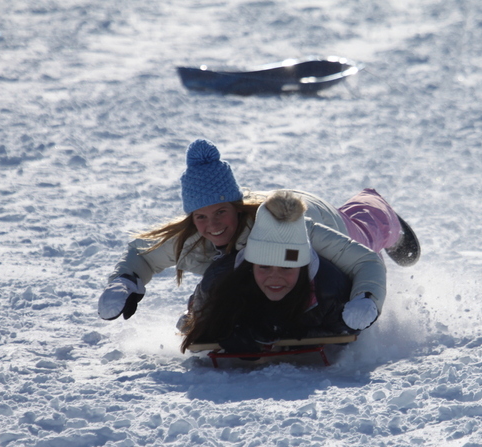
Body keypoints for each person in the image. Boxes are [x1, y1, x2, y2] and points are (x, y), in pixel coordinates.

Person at [97, 138, 420, 325]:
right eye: (202, 217)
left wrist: (366, 298)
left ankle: (376, 208)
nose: (213, 226)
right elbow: (144, 253)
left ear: (236, 209)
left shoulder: (284, 229)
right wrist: (125, 281)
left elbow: (362, 260)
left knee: (361, 233)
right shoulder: (194, 238)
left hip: (313, 214)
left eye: (221, 212)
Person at [180, 190, 392, 354]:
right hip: (277, 216)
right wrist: (226, 330)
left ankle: (376, 206)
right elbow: (196, 326)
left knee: (366, 234)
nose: (275, 277)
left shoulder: (328, 291)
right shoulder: (218, 281)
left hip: (326, 220)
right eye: (264, 267)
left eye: (286, 267)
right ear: (250, 266)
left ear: (301, 268)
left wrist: (366, 300)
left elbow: (347, 327)